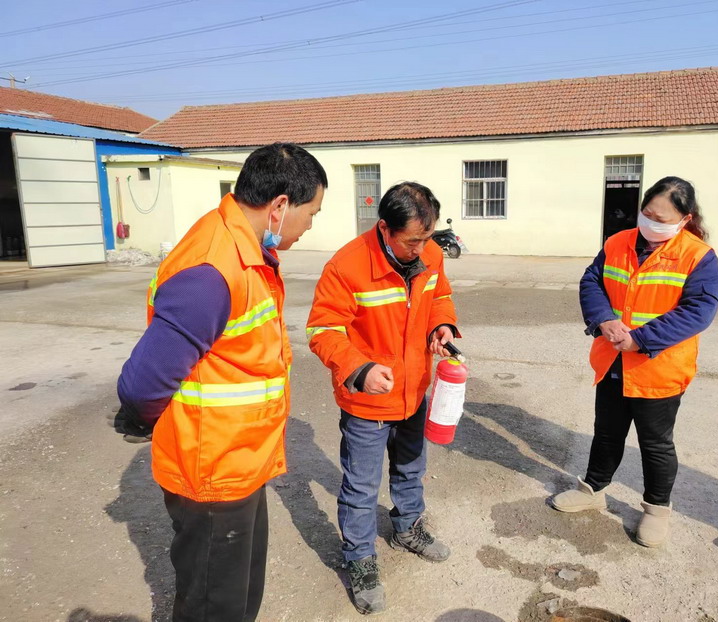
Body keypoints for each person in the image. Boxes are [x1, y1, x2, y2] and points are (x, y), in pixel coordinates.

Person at [113, 143, 327, 621]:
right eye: (311, 213)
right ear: (279, 206)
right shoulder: (212, 271)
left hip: (239, 462)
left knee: (240, 596)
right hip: (212, 475)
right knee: (215, 606)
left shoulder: (245, 251)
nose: (311, 225)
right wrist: (144, 419)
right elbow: (143, 383)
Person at [306, 182, 460, 615]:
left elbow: (440, 297)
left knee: (412, 469)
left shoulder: (431, 253)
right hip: (367, 402)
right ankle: (359, 559)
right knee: (361, 486)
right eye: (412, 241)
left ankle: (407, 528)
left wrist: (442, 327)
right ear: (385, 229)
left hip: (413, 392)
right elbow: (323, 330)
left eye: (427, 238)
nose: (421, 249)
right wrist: (359, 368)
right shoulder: (347, 266)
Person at [552, 176, 718, 548]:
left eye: (661, 219)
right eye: (647, 214)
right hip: (612, 359)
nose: (651, 223)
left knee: (655, 444)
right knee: (607, 433)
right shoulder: (618, 242)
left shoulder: (698, 256)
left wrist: (640, 339)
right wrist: (604, 320)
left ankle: (657, 510)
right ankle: (593, 490)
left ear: (685, 219)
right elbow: (592, 281)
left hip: (658, 367)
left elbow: (698, 311)